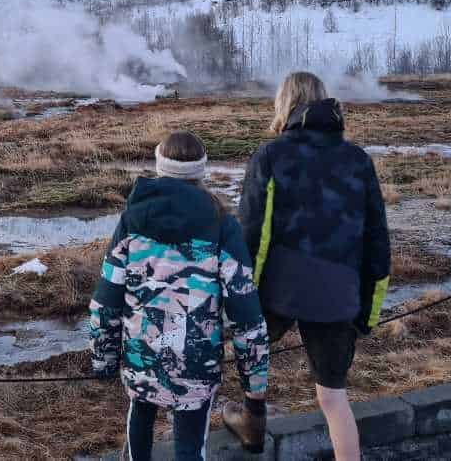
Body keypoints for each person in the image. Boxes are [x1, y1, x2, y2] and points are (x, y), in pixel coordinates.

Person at [225, 71, 391, 461]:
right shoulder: (358, 160)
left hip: (279, 289)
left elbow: (252, 234)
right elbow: (376, 240)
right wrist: (369, 311)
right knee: (333, 396)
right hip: (338, 291)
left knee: (254, 353)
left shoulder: (271, 156)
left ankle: (253, 423)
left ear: (285, 104)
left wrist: (241, 297)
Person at [89, 131, 270, 460]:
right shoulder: (221, 224)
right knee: (190, 449)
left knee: (139, 422)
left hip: (140, 356)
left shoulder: (132, 219)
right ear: (201, 171)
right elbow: (246, 314)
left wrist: (103, 358)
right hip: (195, 363)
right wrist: (254, 383)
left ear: (160, 166)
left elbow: (107, 297)